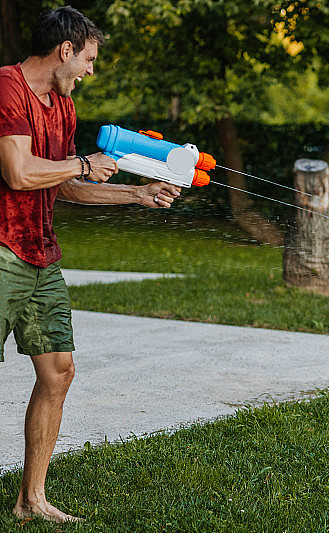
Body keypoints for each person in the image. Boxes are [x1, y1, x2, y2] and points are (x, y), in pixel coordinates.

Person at [0, 7, 181, 522]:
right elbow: (17, 171)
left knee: (58, 372)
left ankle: (30, 501)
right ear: (65, 50)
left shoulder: (64, 107)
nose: (90, 71)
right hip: (0, 249)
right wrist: (80, 163)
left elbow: (66, 183)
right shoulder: (7, 88)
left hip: (40, 253)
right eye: (89, 59)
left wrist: (137, 195)